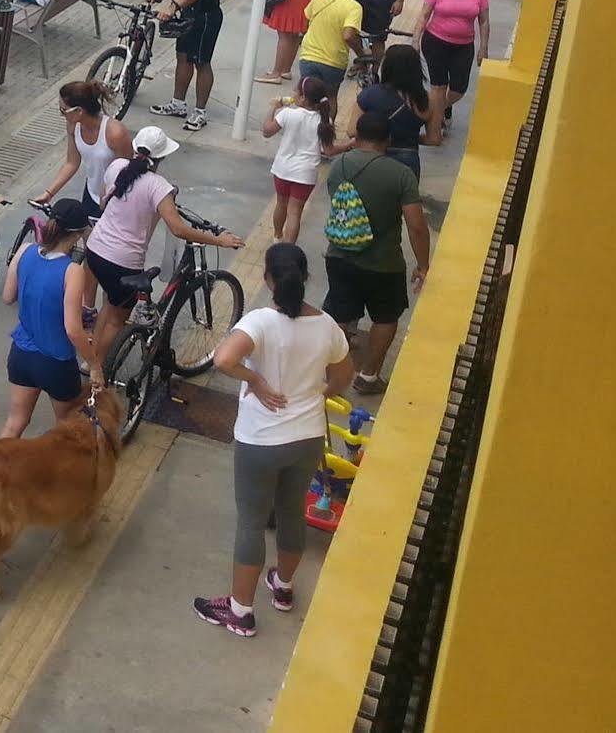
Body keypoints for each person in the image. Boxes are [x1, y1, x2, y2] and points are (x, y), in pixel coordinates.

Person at [194, 242, 352, 638]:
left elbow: (223, 359)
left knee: (251, 522)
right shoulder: (327, 325)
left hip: (260, 439)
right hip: (308, 436)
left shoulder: (261, 322)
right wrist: (317, 393)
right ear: (306, 277)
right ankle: (282, 588)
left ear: (267, 278)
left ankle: (240, 611)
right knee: (292, 512)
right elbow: (345, 374)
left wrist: (257, 381)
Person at [85, 127, 242, 374]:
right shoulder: (158, 186)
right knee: (117, 319)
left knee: (109, 305)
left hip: (95, 250)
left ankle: (90, 359)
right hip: (122, 261)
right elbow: (178, 229)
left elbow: (105, 200)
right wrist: (219, 240)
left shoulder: (117, 168)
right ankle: (98, 370)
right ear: (162, 158)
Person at [321, 112, 431, 396]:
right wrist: (423, 265)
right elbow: (416, 225)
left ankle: (332, 371)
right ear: (388, 139)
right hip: (383, 263)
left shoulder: (340, 166)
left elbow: (340, 204)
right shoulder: (401, 175)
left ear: (357, 136)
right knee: (385, 317)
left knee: (340, 314)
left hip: (340, 255)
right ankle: (368, 376)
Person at [0, 201, 97, 439]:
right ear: (78, 235)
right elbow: (73, 330)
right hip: (56, 362)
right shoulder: (72, 271)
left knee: (15, 422)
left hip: (21, 354)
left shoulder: (25, 250)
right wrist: (94, 365)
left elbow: (7, 297)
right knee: (68, 428)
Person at [148, 0, 229, 132]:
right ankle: (178, 104)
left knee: (202, 62)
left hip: (206, 17)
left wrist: (175, 5)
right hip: (191, 14)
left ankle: (200, 112)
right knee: (183, 57)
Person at [34, 78, 133, 219]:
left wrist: (107, 198)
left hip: (114, 200)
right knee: (88, 239)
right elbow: (72, 163)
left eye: (64, 110)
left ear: (79, 111)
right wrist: (49, 193)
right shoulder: (73, 126)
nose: (62, 115)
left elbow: (128, 172)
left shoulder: (115, 133)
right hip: (91, 193)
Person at [418, 0, 489, 138]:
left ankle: (438, 108)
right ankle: (436, 121)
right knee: (438, 86)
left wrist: (483, 47)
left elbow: (483, 21)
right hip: (435, 41)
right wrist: (415, 40)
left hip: (463, 46)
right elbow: (424, 15)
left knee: (459, 88)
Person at [263, 76, 335, 244]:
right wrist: (349, 144)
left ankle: (277, 236)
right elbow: (329, 150)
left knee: (281, 204)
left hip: (283, 170)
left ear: (302, 98)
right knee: (295, 212)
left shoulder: (288, 114)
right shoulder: (324, 121)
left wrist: (273, 108)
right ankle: (289, 248)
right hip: (305, 174)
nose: (293, 94)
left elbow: (267, 131)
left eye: (296, 91)